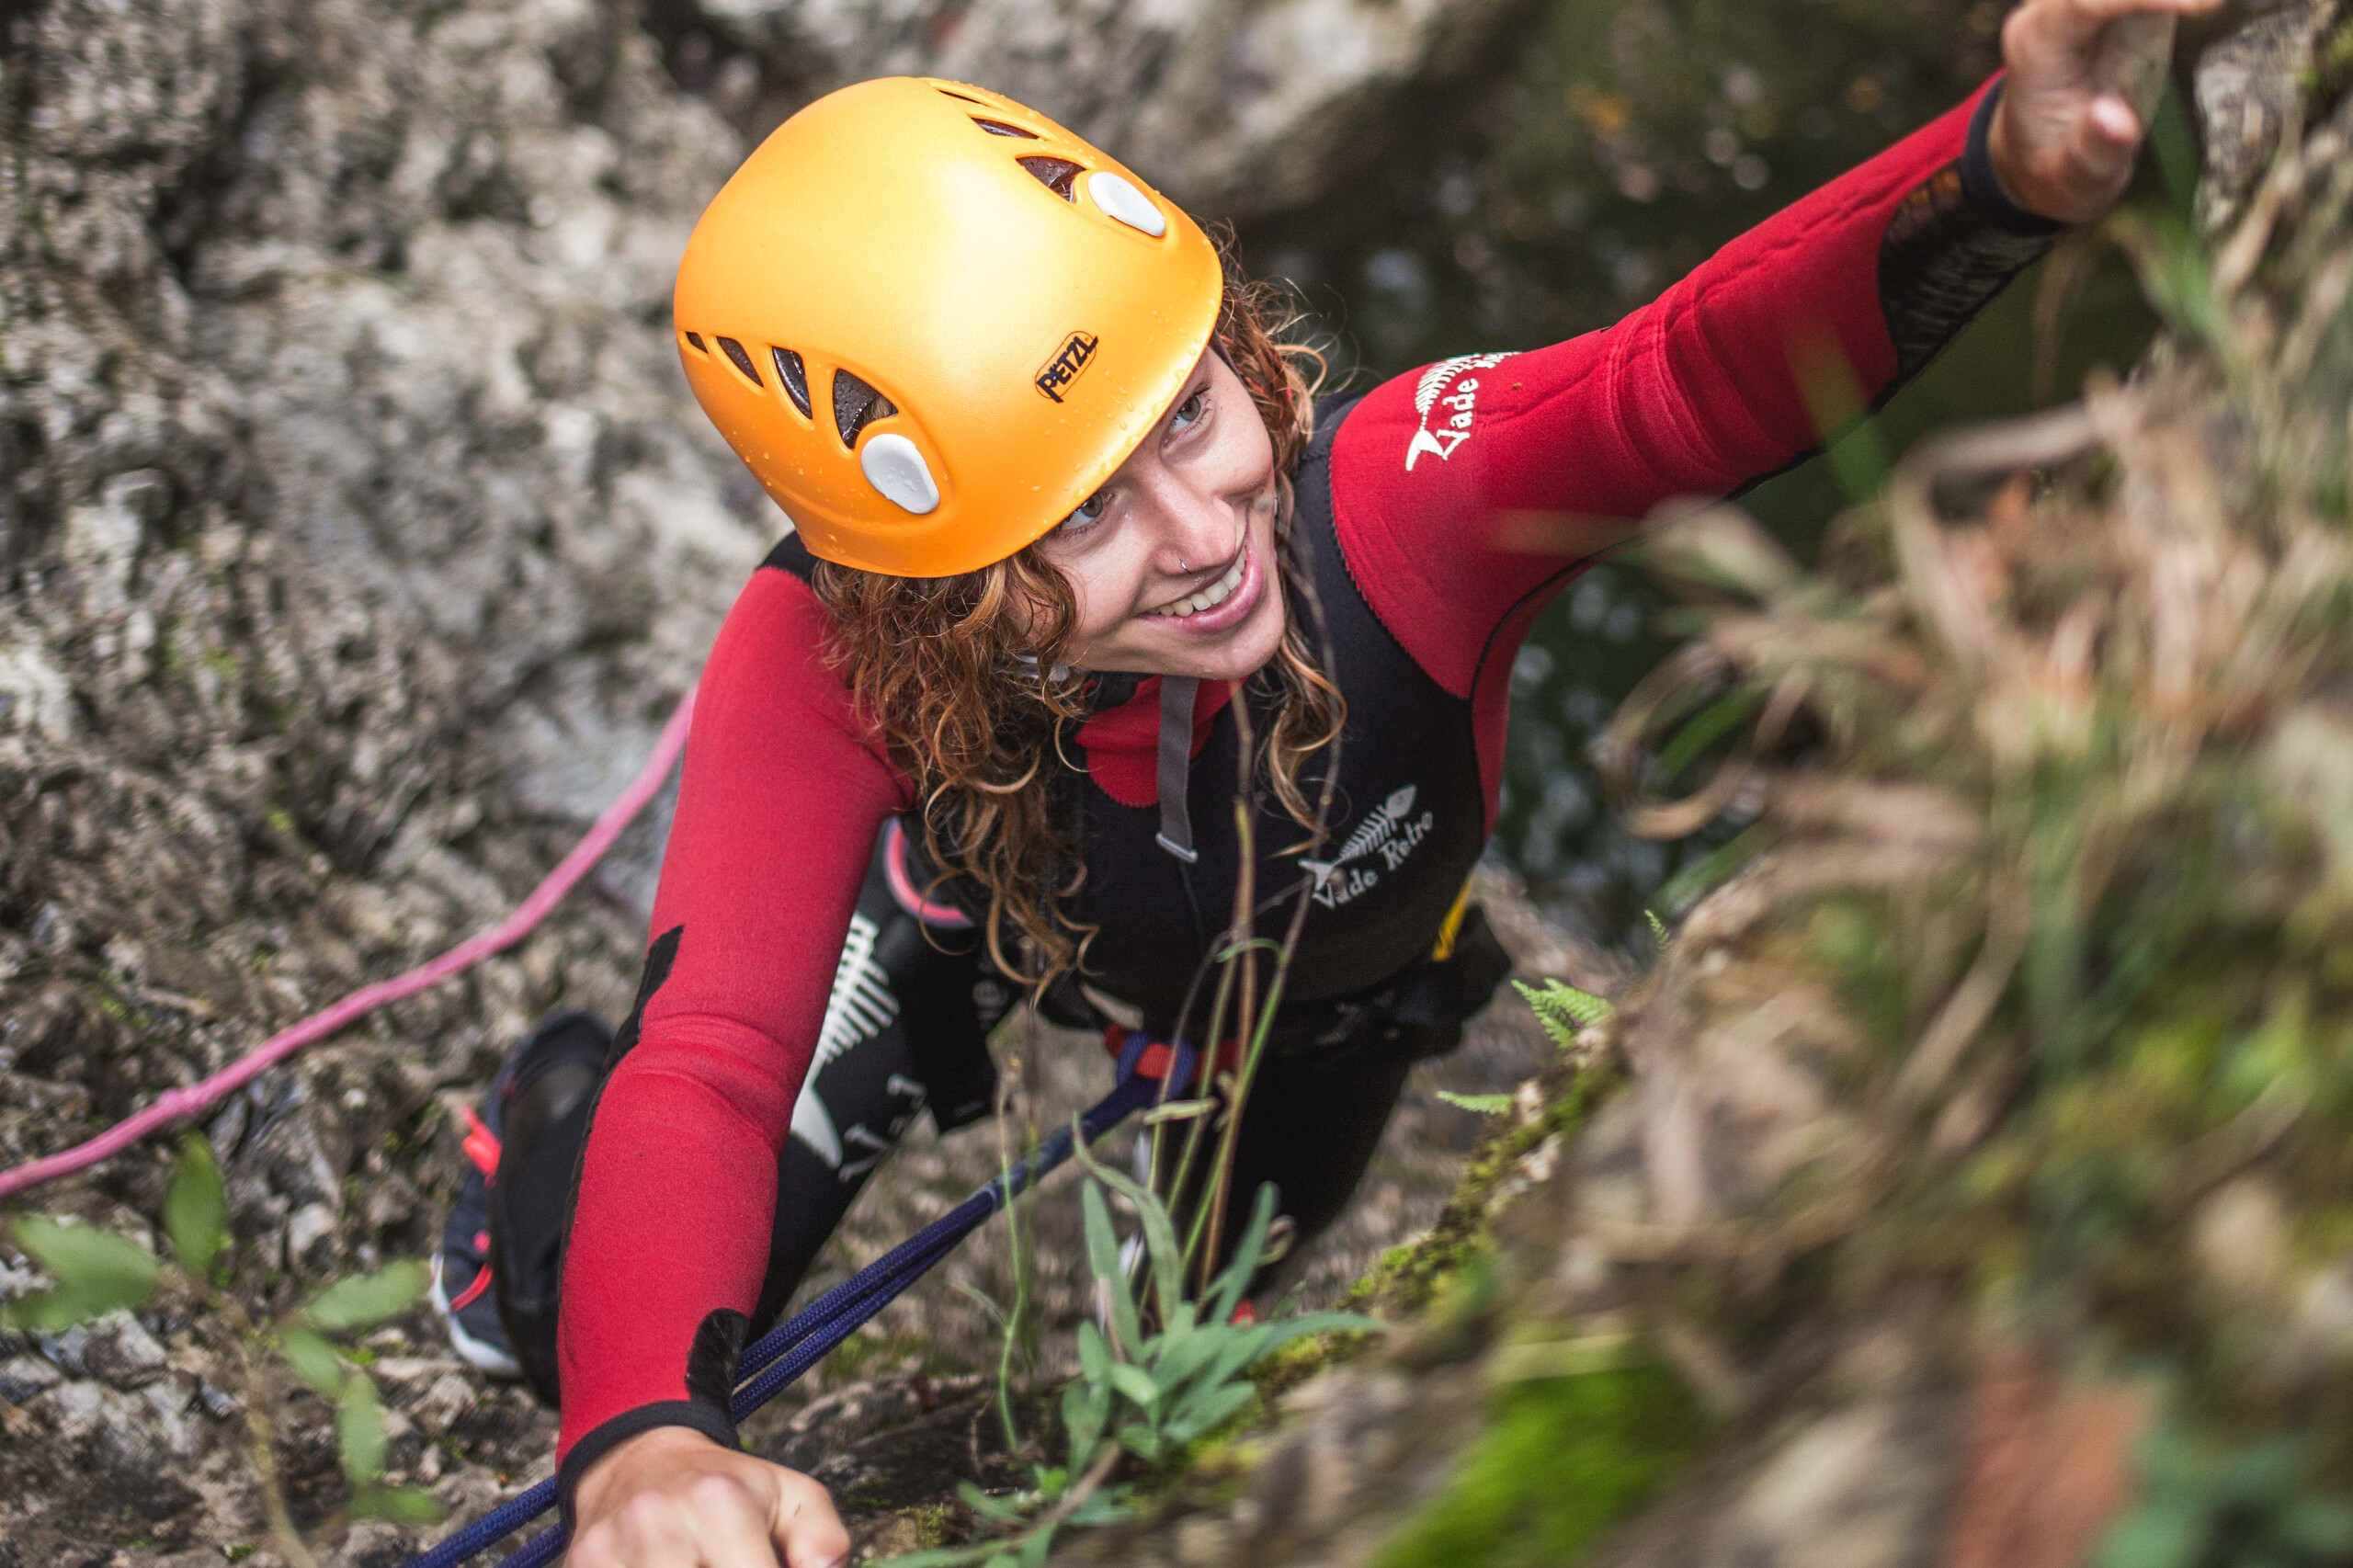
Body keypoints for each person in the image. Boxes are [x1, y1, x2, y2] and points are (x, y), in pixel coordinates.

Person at [427, 0, 2214, 1561]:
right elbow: (725, 1062)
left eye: (1189, 416)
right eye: (1080, 518)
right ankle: (537, 1117)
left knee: (1177, 1361)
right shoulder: (828, 653)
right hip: (968, 934)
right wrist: (644, 1448)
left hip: (1322, 1016)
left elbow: (1681, 377)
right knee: (564, 1314)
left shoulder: (1401, 514)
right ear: (932, 583)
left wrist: (2001, 165)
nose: (1211, 538)